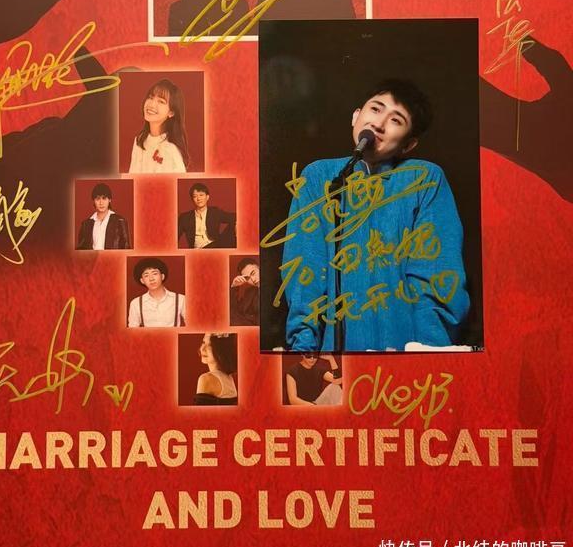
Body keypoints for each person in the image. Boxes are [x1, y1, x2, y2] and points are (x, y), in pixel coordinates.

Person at [282, 79, 470, 352]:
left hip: (406, 353)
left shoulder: (424, 179)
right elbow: (304, 273)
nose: (379, 124)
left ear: (408, 145)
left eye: (395, 120)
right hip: (335, 359)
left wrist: (426, 352)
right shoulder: (318, 176)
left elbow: (438, 276)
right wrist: (304, 352)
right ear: (356, 116)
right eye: (375, 109)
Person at [128, 79, 189, 173]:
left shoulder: (171, 150)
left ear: (171, 112)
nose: (152, 104)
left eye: (161, 101)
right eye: (150, 97)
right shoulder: (139, 140)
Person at [128, 258, 185, 327]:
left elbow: (192, 324)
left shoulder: (180, 299)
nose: (151, 279)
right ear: (142, 281)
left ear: (162, 276)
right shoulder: (136, 303)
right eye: (146, 275)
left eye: (155, 273)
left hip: (173, 334)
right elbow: (132, 330)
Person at [178, 182, 236, 249]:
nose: (198, 199)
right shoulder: (185, 217)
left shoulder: (215, 212)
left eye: (201, 195)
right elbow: (174, 237)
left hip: (216, 246)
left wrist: (237, 226)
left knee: (234, 223)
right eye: (195, 196)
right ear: (192, 199)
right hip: (199, 250)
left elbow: (234, 217)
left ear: (207, 197)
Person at [76, 183, 131, 250]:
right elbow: (80, 250)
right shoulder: (86, 224)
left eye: (104, 198)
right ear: (94, 201)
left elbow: (126, 248)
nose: (101, 203)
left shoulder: (120, 221)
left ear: (109, 200)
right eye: (98, 199)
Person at [193, 333, 238, 406]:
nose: (202, 349)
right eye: (203, 342)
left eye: (210, 345)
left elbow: (199, 413)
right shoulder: (229, 378)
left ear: (221, 349)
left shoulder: (207, 379)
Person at [230, 257, 260, 326]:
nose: (253, 279)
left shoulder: (274, 285)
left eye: (253, 273)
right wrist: (234, 286)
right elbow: (234, 311)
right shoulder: (249, 292)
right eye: (248, 278)